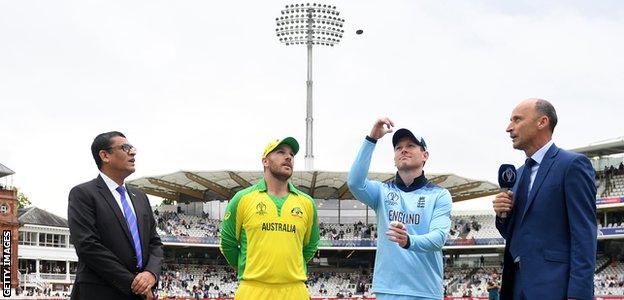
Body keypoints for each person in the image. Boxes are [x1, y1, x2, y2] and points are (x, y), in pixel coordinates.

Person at [493, 99, 597, 299]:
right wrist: (502, 215)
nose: (509, 128)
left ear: (542, 122)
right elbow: (516, 235)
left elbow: (584, 233)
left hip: (555, 287)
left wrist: (579, 294)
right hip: (516, 287)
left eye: (517, 120)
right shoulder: (517, 174)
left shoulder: (572, 165)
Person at [347, 118, 452, 300]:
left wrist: (408, 241)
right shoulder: (382, 192)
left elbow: (438, 238)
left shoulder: (439, 195)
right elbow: (355, 182)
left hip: (425, 291)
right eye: (398, 147)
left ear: (425, 155)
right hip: (388, 290)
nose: (403, 149)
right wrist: (372, 138)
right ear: (394, 158)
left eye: (410, 145)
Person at [220, 137, 320, 300]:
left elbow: (310, 246)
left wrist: (289, 270)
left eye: (292, 154)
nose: (288, 157)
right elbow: (227, 243)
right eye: (281, 152)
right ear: (265, 161)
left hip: (295, 290)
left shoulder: (307, 203)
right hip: (253, 290)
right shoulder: (243, 198)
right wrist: (248, 269)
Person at [68, 131, 163, 300]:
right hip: (100, 292)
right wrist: (134, 283)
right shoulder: (83, 194)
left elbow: (154, 242)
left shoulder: (140, 197)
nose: (132, 152)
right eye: (125, 148)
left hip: (141, 292)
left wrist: (150, 274)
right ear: (105, 155)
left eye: (132, 148)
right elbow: (87, 246)